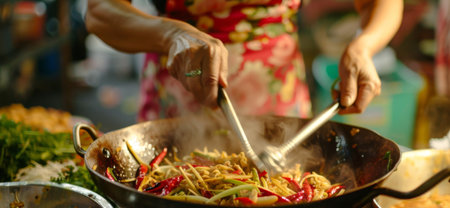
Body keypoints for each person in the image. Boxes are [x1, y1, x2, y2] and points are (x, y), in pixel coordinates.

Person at [85, 0, 403, 122]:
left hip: (278, 89)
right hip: (182, 85)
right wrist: (172, 35)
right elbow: (100, 10)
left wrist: (364, 46)